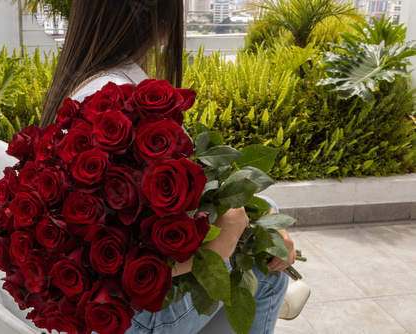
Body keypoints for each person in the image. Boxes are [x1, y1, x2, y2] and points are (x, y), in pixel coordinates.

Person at [40, 1, 296, 333]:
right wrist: (222, 246)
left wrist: (262, 214)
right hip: (130, 317)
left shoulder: (90, 86)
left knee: (266, 226)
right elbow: (113, 262)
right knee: (268, 270)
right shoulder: (120, 98)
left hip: (104, 308)